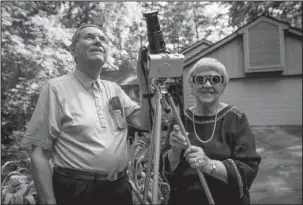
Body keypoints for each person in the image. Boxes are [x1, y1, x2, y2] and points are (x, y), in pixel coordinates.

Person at [22, 24, 153, 205]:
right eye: (90, 37)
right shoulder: (55, 89)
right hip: (77, 191)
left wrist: (144, 81)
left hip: (119, 189)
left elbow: (144, 122)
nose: (98, 41)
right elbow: (39, 154)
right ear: (73, 50)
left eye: (102, 39)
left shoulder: (114, 89)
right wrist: (49, 201)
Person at [161, 57, 261, 205]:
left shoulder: (235, 117)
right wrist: (175, 151)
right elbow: (165, 169)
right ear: (191, 86)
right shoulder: (179, 119)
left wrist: (208, 164)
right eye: (200, 79)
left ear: (223, 86)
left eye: (215, 79)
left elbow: (249, 168)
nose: (207, 84)